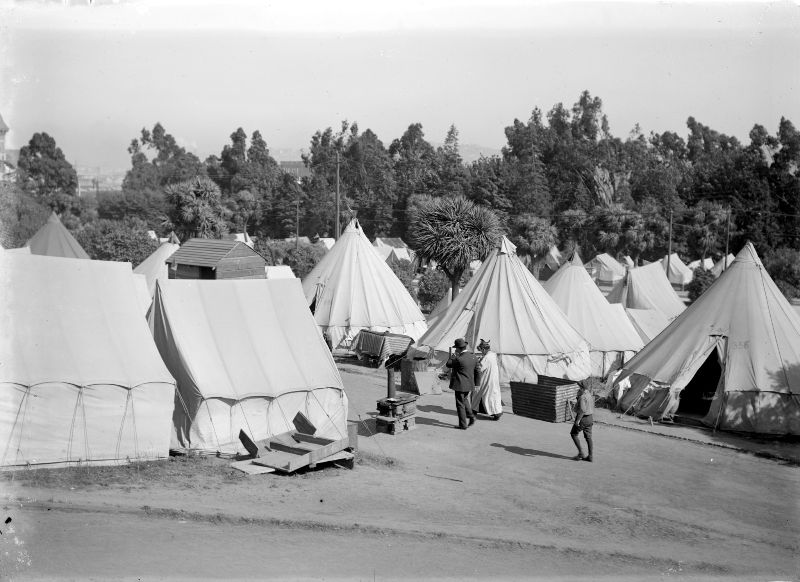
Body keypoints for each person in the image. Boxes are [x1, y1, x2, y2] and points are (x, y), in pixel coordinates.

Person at [445, 338, 479, 430]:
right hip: (469, 384)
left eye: (456, 348)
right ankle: (471, 416)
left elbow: (448, 364)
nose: (456, 350)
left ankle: (463, 424)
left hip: (460, 384)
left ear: (459, 349)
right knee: (464, 400)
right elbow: (477, 371)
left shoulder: (459, 359)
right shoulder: (473, 357)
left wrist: (452, 356)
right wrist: (477, 384)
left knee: (460, 404)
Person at [472, 339, 503, 420]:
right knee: (493, 396)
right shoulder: (493, 355)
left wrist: (477, 362)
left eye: (481, 350)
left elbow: (480, 368)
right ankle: (496, 412)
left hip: (486, 381)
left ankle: (494, 413)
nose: (481, 352)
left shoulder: (487, 357)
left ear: (483, 349)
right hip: (493, 380)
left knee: (480, 395)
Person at [571, 383, 594, 462]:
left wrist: (578, 420)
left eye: (579, 387)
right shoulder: (589, 395)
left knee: (573, 434)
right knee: (588, 437)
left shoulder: (582, 397)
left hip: (583, 418)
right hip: (590, 418)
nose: (578, 389)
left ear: (582, 388)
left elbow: (582, 410)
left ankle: (581, 453)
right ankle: (590, 456)